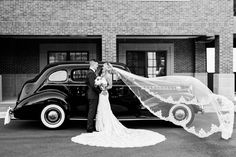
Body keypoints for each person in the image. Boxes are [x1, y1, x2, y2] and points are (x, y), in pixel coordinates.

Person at [71, 62, 166, 148]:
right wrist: (100, 87)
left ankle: (104, 126)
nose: (102, 66)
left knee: (105, 110)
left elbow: (110, 85)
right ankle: (100, 127)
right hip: (101, 94)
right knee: (100, 110)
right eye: (102, 66)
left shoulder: (108, 75)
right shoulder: (101, 74)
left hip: (103, 93)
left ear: (107, 68)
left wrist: (104, 89)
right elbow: (95, 83)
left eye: (104, 66)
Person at [85, 59, 100, 133]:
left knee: (92, 111)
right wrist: (99, 91)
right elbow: (93, 86)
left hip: (92, 95)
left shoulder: (91, 72)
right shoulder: (91, 73)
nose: (97, 66)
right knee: (92, 111)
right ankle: (89, 128)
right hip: (93, 95)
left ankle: (91, 126)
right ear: (93, 65)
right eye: (97, 65)